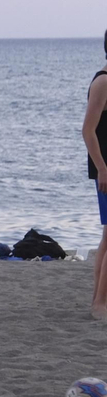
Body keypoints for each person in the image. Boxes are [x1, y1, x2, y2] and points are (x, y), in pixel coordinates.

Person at [85, 29, 107, 318]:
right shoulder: (103, 81)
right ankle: (100, 304)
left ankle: (98, 300)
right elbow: (87, 130)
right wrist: (102, 167)